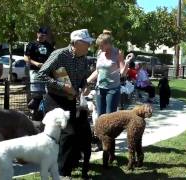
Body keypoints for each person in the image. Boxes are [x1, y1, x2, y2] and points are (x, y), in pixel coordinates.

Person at [36, 29, 94, 178]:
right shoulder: (60, 54)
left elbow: (83, 79)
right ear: (77, 43)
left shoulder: (84, 58)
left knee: (73, 135)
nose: (89, 46)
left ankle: (67, 164)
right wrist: (63, 86)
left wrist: (86, 86)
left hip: (70, 101)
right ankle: (62, 173)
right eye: (87, 43)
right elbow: (40, 75)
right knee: (68, 134)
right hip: (55, 99)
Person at [87, 30, 134, 116]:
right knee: (100, 116)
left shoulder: (117, 53)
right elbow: (98, 71)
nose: (100, 48)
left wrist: (127, 62)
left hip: (113, 89)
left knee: (110, 117)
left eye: (101, 45)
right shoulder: (100, 53)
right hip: (99, 88)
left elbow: (123, 73)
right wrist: (86, 81)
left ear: (108, 44)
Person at [24, 27, 54, 110]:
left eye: (44, 35)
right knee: (36, 93)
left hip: (47, 72)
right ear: (37, 34)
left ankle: (46, 109)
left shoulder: (49, 45)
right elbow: (26, 58)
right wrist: (36, 64)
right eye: (41, 35)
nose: (42, 37)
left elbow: (53, 57)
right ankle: (35, 111)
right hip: (35, 71)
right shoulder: (32, 44)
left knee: (47, 92)